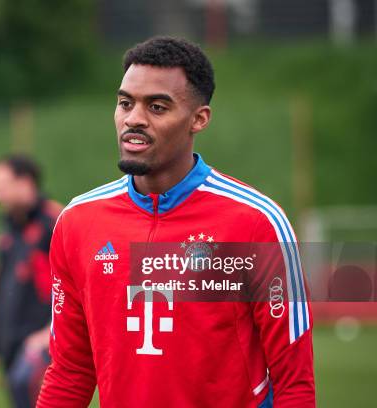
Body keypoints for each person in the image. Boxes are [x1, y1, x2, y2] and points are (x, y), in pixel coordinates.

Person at [37, 37, 315, 407]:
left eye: (157, 106)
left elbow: (294, 383)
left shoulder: (256, 223)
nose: (133, 119)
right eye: (125, 103)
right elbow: (70, 372)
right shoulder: (77, 222)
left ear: (199, 119)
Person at [0, 154, 62, 408]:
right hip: (14, 346)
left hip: (44, 346)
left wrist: (48, 332)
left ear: (25, 183)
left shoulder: (57, 223)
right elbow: (2, 292)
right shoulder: (8, 233)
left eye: (1, 186)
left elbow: (73, 287)